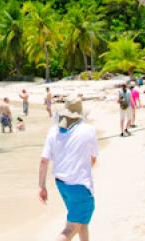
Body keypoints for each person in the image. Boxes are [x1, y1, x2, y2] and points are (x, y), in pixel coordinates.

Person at [39, 97, 98, 241]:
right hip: (79, 185)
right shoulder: (88, 130)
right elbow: (93, 159)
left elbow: (43, 161)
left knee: (81, 222)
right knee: (72, 228)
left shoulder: (53, 131)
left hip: (62, 184)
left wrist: (42, 187)